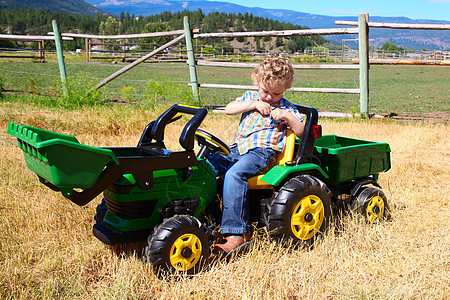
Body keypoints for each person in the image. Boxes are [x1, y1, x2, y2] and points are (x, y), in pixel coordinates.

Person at [208, 54, 305, 254]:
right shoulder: (249, 98)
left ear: (285, 89)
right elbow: (228, 109)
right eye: (265, 91)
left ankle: (238, 234)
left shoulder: (287, 108)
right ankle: (209, 218)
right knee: (204, 166)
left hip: (261, 153)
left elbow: (301, 130)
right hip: (236, 149)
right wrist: (253, 104)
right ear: (257, 82)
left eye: (276, 93)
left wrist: (286, 116)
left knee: (235, 174)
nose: (269, 97)